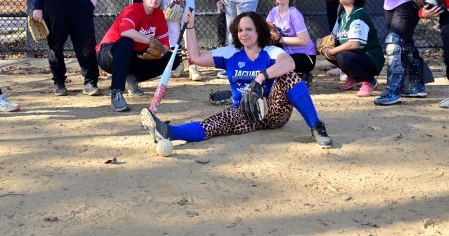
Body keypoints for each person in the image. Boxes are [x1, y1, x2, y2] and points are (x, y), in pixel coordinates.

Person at [140, 11, 333, 149]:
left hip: (274, 111)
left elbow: (290, 63)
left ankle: (317, 127)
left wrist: (260, 78)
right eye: (240, 30)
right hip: (244, 111)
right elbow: (196, 57)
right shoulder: (230, 54)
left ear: (259, 31)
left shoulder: (271, 52)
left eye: (249, 29)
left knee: (289, 77)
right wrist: (190, 27)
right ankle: (168, 131)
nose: (244, 34)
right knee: (215, 123)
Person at [96, 0, 181, 112]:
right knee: (126, 42)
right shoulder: (133, 9)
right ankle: (116, 93)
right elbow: (126, 32)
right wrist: (151, 41)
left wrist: (160, 51)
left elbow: (165, 45)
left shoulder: (159, 15)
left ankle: (132, 76)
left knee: (173, 58)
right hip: (108, 54)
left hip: (133, 56)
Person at [320, 0, 384, 98]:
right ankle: (354, 77)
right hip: (356, 56)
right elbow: (332, 37)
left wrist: (332, 51)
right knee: (325, 47)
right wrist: (320, 45)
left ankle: (369, 80)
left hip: (371, 58)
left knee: (341, 55)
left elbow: (354, 44)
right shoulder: (342, 16)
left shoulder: (358, 15)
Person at [266, 0, 317, 86]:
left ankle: (302, 75)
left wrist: (280, 39)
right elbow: (266, 29)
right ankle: (296, 75)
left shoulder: (294, 14)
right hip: (286, 53)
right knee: (267, 58)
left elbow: (304, 40)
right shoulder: (273, 11)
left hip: (305, 56)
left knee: (280, 64)